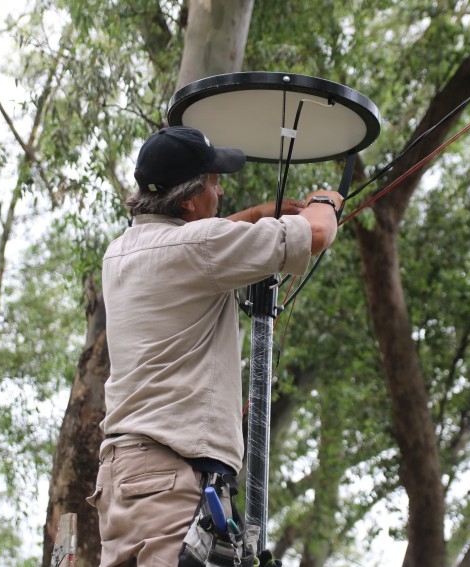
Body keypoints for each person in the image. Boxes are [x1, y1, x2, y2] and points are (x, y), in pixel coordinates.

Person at [88, 125, 343, 567]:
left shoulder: (121, 251)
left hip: (127, 476)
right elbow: (315, 235)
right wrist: (324, 203)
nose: (220, 191)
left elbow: (198, 242)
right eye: (212, 183)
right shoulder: (199, 247)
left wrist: (256, 216)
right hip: (170, 476)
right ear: (188, 199)